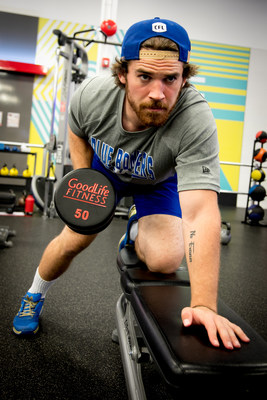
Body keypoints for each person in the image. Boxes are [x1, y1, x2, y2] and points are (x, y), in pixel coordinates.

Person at [13, 17, 250, 350]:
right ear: (123, 74)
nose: (158, 92)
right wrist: (86, 179)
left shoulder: (195, 119)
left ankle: (137, 229)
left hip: (158, 182)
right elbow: (77, 130)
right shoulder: (94, 95)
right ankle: (33, 295)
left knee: (166, 259)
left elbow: (199, 214)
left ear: (184, 77)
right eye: (144, 76)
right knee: (73, 241)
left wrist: (203, 305)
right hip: (105, 172)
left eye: (171, 78)